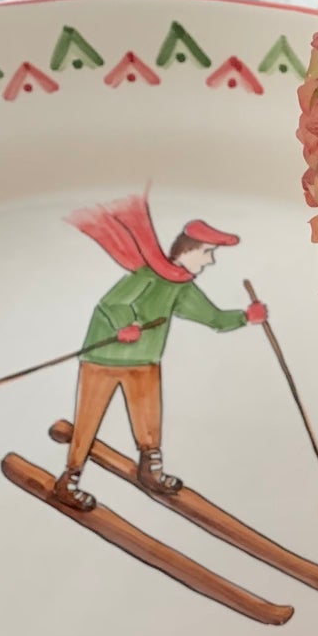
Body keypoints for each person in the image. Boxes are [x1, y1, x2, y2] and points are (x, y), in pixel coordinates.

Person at [53, 196, 266, 512]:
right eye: (207, 253)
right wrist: (126, 324)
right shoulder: (147, 275)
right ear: (188, 250)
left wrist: (246, 317)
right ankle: (69, 480)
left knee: (149, 419)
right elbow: (111, 304)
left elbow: (213, 319)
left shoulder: (181, 286)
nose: (210, 261)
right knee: (89, 419)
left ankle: (150, 469)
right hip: (104, 359)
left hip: (145, 361)